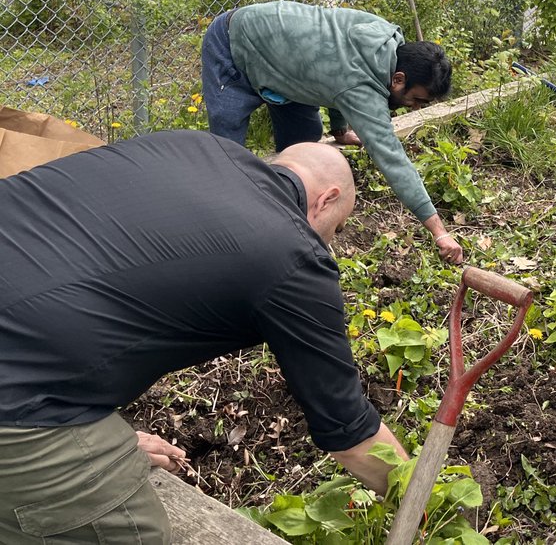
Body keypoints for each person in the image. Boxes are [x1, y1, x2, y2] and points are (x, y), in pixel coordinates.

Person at [0, 131, 410, 544]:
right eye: (337, 229)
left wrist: (100, 444)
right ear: (326, 199)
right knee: (129, 531)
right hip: (14, 393)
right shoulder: (293, 256)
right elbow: (352, 436)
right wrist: (434, 504)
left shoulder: (197, 146)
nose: (331, 244)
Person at [201, 0, 463, 264]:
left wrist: (340, 130)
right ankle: (223, 243)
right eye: (417, 100)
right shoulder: (359, 85)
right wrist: (439, 232)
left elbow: (338, 73)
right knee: (227, 160)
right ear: (398, 80)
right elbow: (392, 158)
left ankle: (285, 226)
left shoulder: (386, 39)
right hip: (234, 42)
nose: (414, 107)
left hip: (290, 59)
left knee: (306, 148)